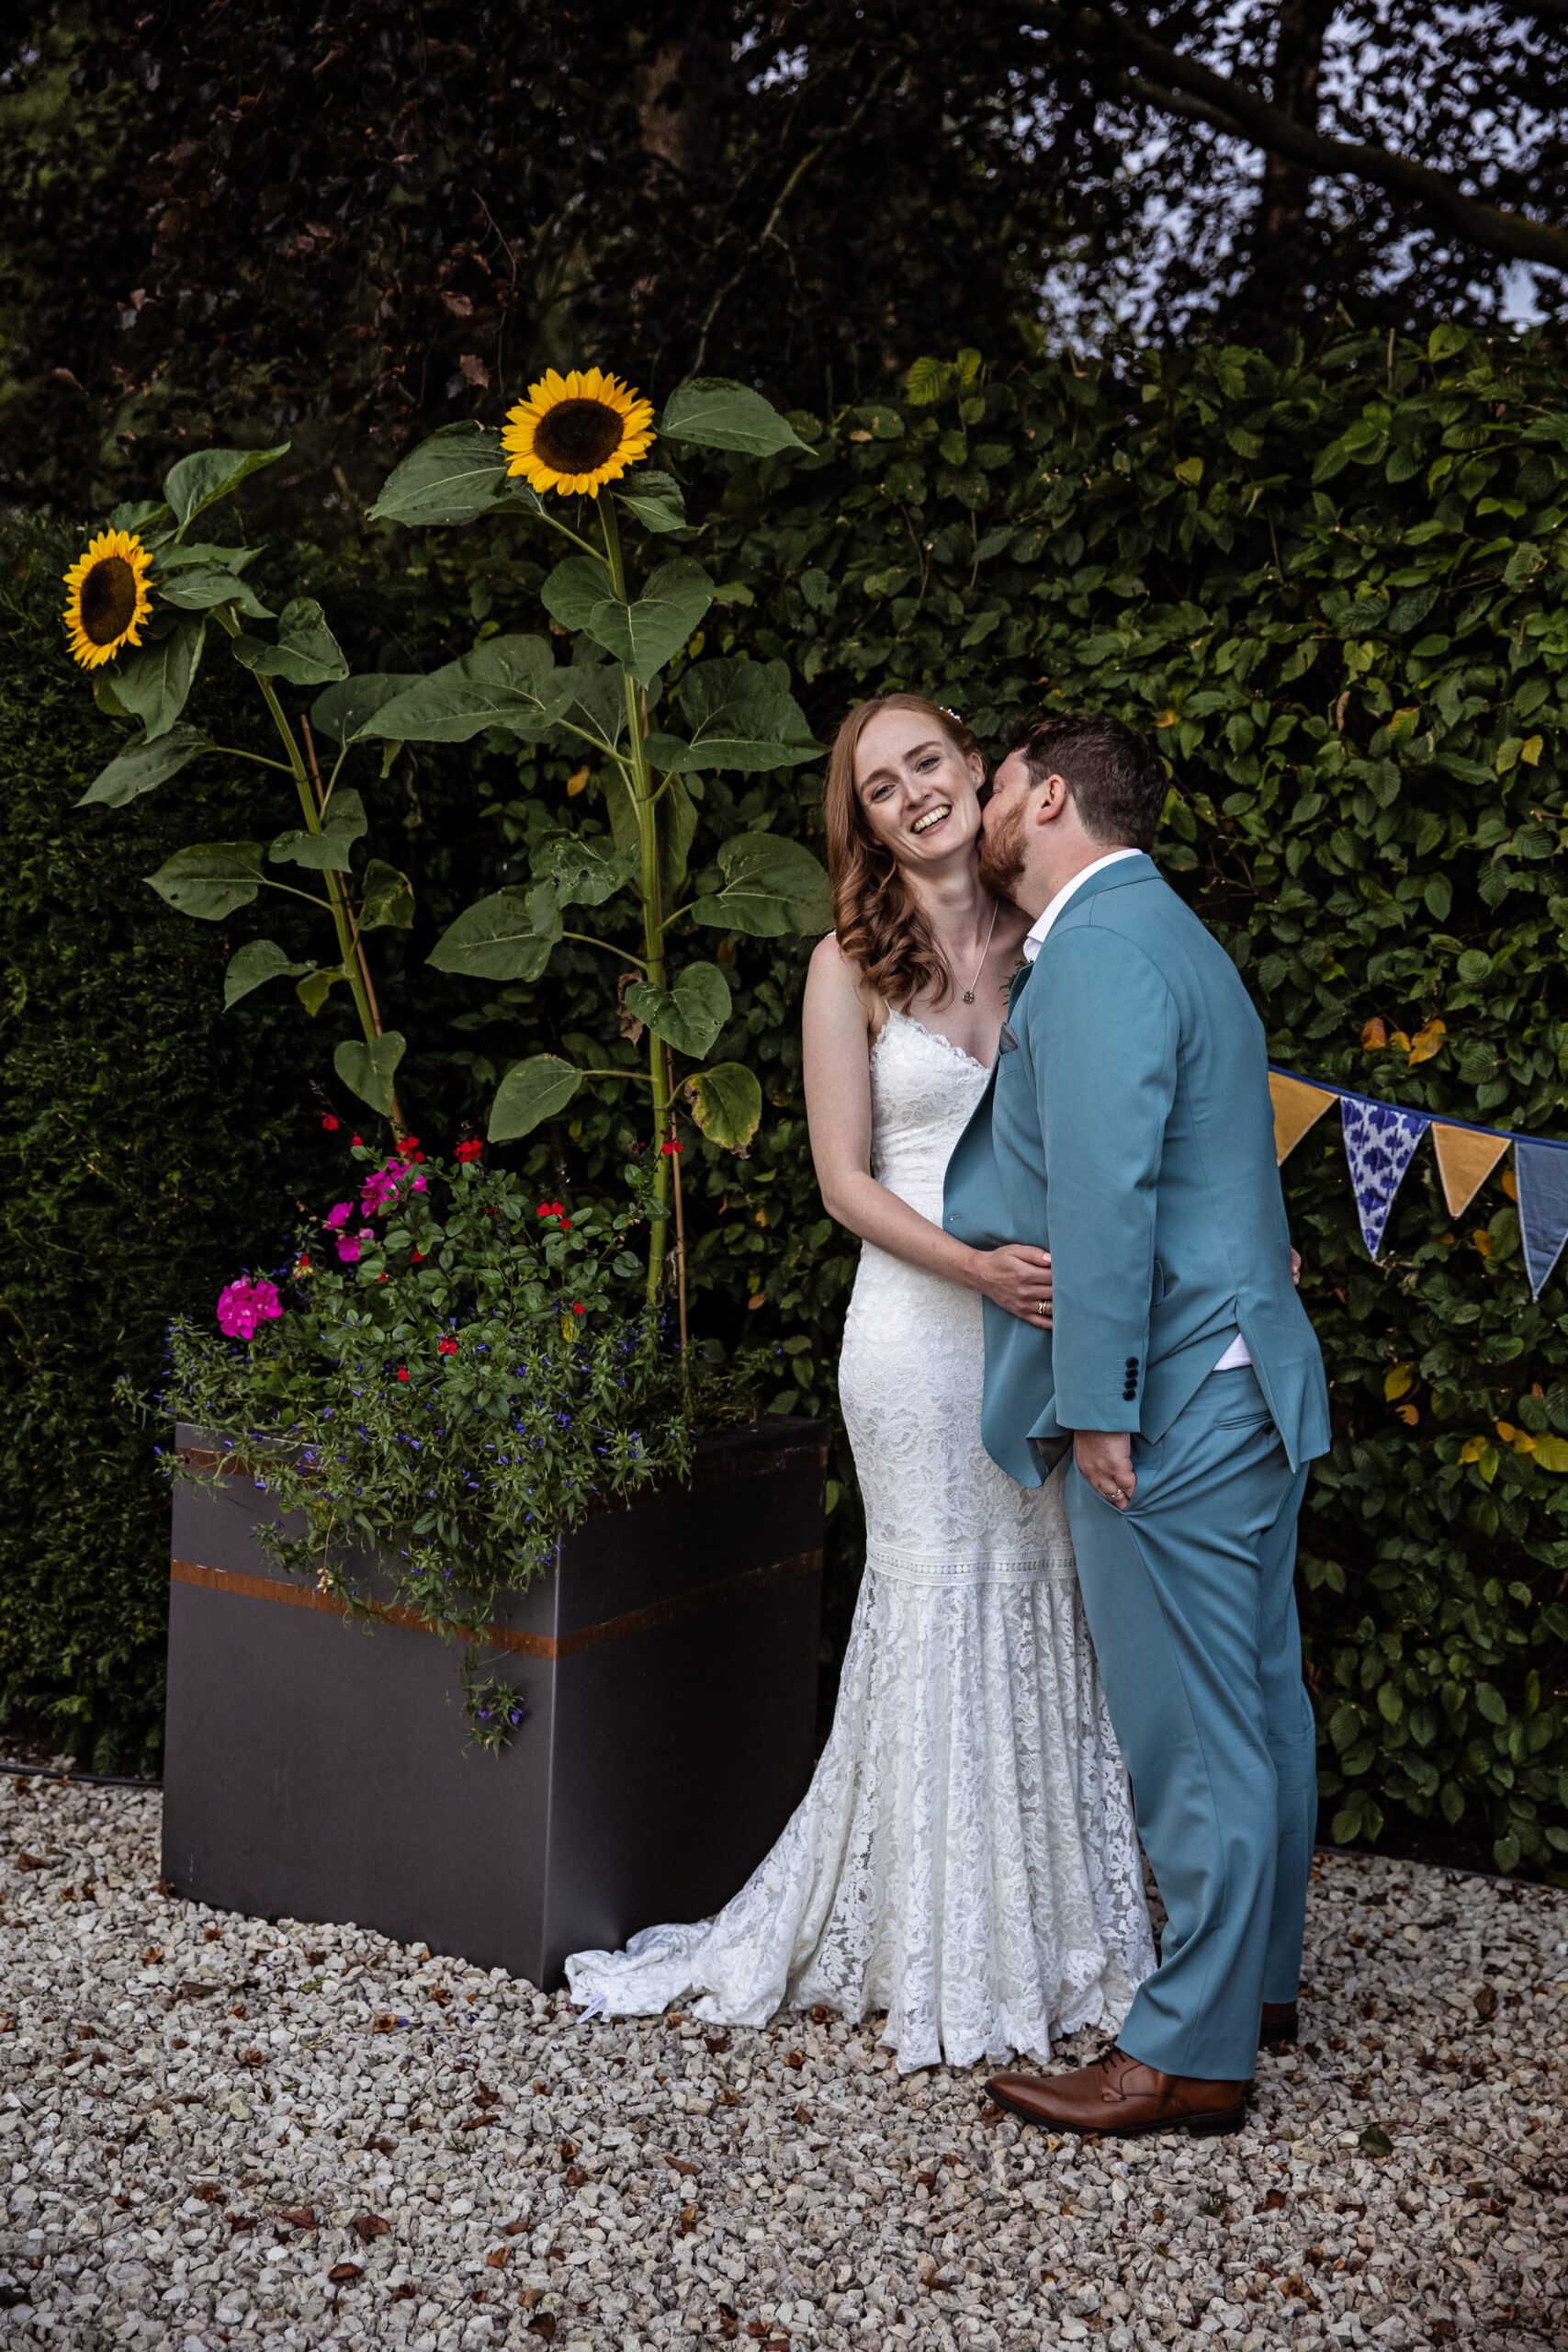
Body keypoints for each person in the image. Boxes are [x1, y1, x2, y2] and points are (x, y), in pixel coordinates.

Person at [564, 693, 1154, 2071]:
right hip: (917, 1334)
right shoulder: (849, 963)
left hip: (1039, 1329)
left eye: (929, 764)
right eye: (880, 787)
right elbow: (842, 1185)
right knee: (939, 1598)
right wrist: (982, 1268)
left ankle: (1054, 1931)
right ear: (865, 820)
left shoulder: (1049, 939)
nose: (913, 795)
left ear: (974, 770)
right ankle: (940, 1944)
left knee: (1040, 1599)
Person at [944, 711, 1330, 2139]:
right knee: (1260, 1698)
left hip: (1174, 1387)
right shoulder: (1177, 938)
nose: (979, 812)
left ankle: (1187, 2053)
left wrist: (1099, 1403)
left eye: (991, 789)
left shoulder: (1098, 951)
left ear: (1046, 800)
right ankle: (1256, 1983)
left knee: (1193, 1730)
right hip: (1250, 1374)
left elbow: (1103, 1195)